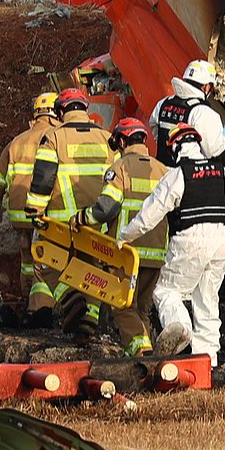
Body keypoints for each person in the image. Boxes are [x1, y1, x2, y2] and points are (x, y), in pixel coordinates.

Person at [122, 121, 225, 363]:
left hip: (189, 240)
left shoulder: (177, 175)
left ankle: (179, 326)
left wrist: (123, 237)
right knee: (207, 300)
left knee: (165, 290)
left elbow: (148, 217)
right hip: (221, 240)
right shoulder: (221, 171)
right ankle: (208, 361)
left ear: (174, 148)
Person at [38, 87, 118, 332]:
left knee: (45, 263)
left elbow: (43, 177)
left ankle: (70, 300)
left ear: (61, 111)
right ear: (86, 109)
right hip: (96, 223)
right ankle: (87, 325)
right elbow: (117, 182)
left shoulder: (53, 138)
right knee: (93, 272)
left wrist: (35, 209)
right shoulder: (107, 139)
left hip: (63, 223)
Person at [90, 117, 167, 356]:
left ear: (122, 140)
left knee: (123, 308)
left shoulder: (120, 168)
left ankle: (140, 353)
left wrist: (83, 219)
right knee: (141, 310)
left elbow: (107, 208)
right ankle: (151, 356)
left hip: (126, 254)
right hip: (155, 255)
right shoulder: (162, 169)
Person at [0, 91, 63, 312]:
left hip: (20, 216)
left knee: (27, 259)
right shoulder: (59, 139)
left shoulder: (16, 143)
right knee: (44, 264)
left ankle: (26, 298)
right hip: (45, 215)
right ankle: (41, 310)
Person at [153, 59, 225, 169]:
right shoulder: (203, 112)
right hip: (188, 178)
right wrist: (222, 138)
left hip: (161, 173)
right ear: (206, 87)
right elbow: (213, 151)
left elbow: (156, 131)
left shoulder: (163, 103)